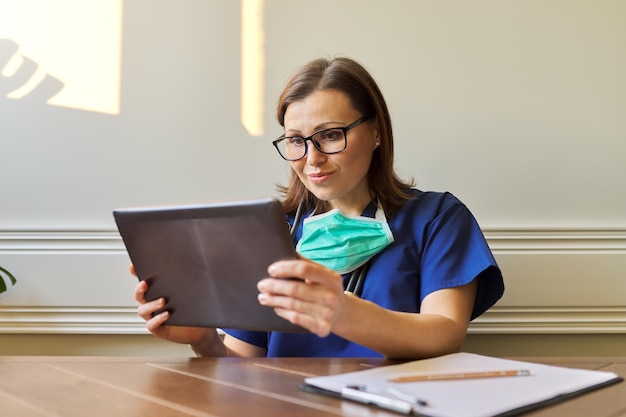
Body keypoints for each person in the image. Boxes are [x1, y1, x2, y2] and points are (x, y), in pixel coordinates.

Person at [133, 57, 504, 359]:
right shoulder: (272, 230)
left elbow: (444, 333)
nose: (312, 159)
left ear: (376, 132)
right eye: (296, 141)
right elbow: (242, 367)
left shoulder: (438, 219)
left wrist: (342, 312)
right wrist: (203, 340)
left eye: (329, 135)